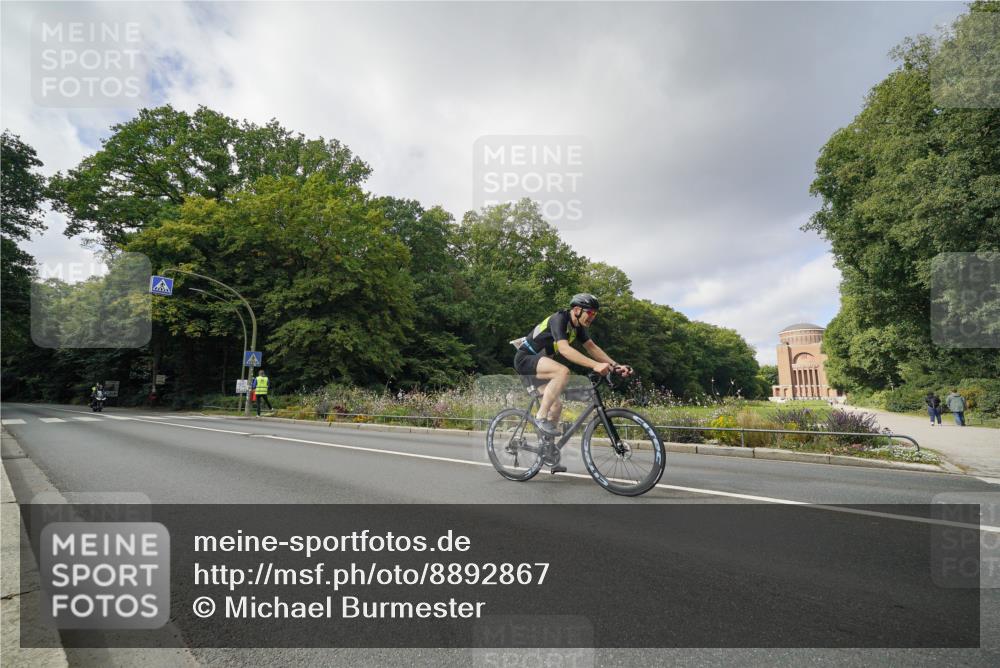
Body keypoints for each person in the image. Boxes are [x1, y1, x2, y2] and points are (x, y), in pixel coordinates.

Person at [512, 293, 632, 473]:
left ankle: (548, 453)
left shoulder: (578, 327)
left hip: (542, 365)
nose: (592, 317)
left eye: (594, 314)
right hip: (526, 360)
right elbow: (565, 350)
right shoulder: (559, 319)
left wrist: (615, 366)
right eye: (589, 313)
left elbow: (593, 348)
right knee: (562, 371)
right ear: (576, 310)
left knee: (557, 406)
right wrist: (596, 365)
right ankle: (540, 417)